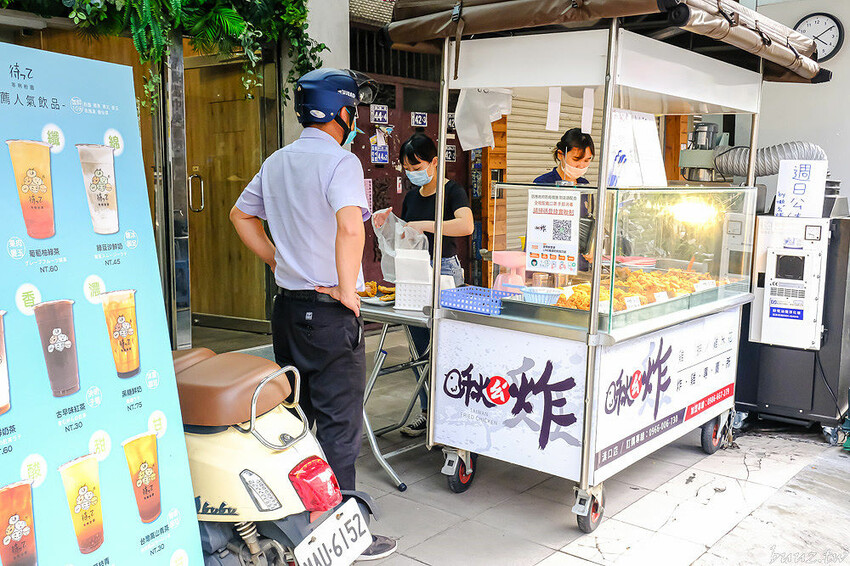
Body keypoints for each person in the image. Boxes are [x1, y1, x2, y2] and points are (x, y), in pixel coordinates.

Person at [229, 67, 396, 561]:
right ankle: (346, 534)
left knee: (299, 418)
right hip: (328, 313)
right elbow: (351, 229)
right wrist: (349, 292)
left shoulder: (278, 161)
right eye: (353, 112)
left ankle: (301, 521)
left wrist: (277, 259)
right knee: (340, 422)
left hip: (287, 310)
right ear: (343, 113)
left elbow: (241, 214)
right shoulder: (340, 162)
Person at [372, 133, 473, 437]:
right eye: (406, 167)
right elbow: (408, 234)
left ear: (434, 162)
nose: (411, 172)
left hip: (444, 273)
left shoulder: (452, 192)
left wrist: (427, 226)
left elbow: (466, 225)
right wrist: (388, 226)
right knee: (419, 350)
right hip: (415, 273)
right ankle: (428, 413)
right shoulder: (412, 196)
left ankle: (451, 419)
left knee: (447, 350)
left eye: (416, 166)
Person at [534, 128, 595, 270]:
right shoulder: (544, 183)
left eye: (587, 160)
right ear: (561, 155)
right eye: (576, 159)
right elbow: (540, 228)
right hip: (551, 261)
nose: (582, 166)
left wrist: (591, 244)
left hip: (579, 265)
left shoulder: (584, 185)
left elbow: (588, 222)